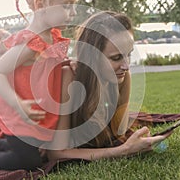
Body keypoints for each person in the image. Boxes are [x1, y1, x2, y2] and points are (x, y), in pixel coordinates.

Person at [0, 0, 79, 171]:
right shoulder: (30, 43)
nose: (74, 12)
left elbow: (48, 66)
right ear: (40, 5)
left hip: (35, 115)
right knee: (30, 161)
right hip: (19, 117)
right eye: (67, 5)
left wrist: (68, 63)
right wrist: (18, 103)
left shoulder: (51, 37)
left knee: (32, 149)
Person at [47, 11, 172, 161]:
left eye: (129, 54)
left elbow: (118, 134)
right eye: (116, 57)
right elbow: (56, 153)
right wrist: (123, 151)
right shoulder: (69, 78)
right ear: (92, 56)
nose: (126, 66)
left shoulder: (123, 78)